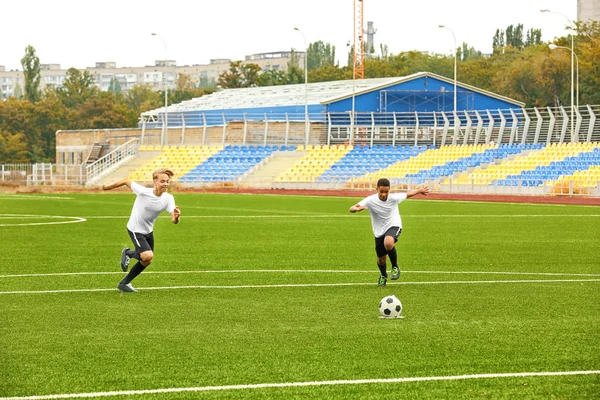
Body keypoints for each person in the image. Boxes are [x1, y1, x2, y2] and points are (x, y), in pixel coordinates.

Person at [102, 168, 181, 293]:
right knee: (147, 255)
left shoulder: (168, 198)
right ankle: (128, 253)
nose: (165, 184)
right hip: (135, 228)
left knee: (147, 260)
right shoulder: (143, 191)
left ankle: (124, 283)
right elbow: (126, 181)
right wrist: (107, 188)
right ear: (155, 182)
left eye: (167, 181)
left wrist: (176, 217)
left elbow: (173, 220)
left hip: (148, 231)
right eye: (162, 181)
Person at [349, 178, 429, 287]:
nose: (383, 194)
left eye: (386, 192)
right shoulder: (370, 200)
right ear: (376, 189)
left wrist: (419, 190)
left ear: (389, 190)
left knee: (388, 242)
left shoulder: (393, 198)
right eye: (381, 191)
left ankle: (395, 267)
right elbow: (352, 208)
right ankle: (383, 275)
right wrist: (356, 209)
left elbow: (407, 194)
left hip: (393, 225)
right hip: (379, 231)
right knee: (381, 260)